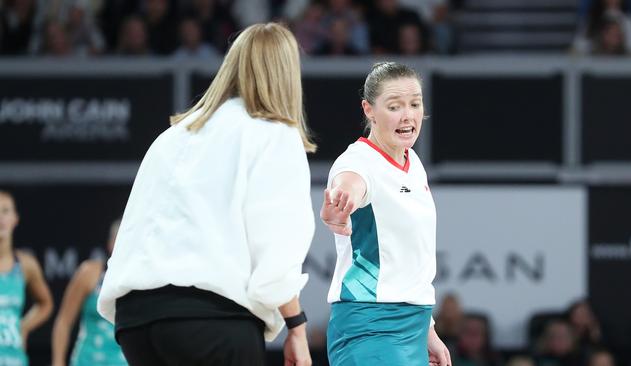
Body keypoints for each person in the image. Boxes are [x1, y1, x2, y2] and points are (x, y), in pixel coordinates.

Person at [97, 22, 316, 366]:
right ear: (288, 74)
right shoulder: (274, 134)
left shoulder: (174, 133)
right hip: (211, 318)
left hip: (135, 322)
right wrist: (296, 327)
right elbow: (274, 254)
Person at [320, 62, 451, 366]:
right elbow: (349, 184)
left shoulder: (412, 161)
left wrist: (427, 330)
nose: (408, 115)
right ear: (369, 109)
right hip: (370, 325)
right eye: (394, 106)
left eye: (415, 104)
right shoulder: (357, 162)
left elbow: (408, 259)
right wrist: (342, 205)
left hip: (413, 325)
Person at [51, 220, 127, 366]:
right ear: (110, 244)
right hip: (88, 360)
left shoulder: (143, 282)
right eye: (119, 241)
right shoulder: (90, 272)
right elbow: (64, 321)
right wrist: (57, 362)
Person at [0, 190, 54, 366]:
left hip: (14, 358)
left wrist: (24, 326)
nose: (0, 218)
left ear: (15, 218)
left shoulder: (26, 265)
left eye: (5, 211)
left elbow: (45, 303)